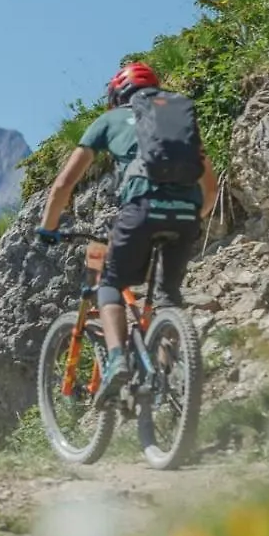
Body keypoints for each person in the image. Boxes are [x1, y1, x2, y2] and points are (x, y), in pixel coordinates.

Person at [36, 61, 217, 408]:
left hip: (140, 213)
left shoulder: (109, 120)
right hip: (186, 216)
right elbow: (209, 188)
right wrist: (188, 215)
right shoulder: (176, 118)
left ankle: (118, 359)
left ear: (116, 96)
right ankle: (164, 382)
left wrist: (48, 227)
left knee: (110, 285)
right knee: (167, 299)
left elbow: (63, 184)